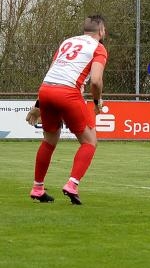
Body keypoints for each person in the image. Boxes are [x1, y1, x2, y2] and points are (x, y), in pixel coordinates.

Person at [26, 15, 108, 205]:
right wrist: (97, 102)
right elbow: (96, 80)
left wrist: (38, 105)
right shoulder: (98, 47)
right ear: (101, 31)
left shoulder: (67, 42)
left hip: (46, 90)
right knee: (89, 142)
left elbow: (53, 71)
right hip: (68, 92)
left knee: (49, 140)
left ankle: (37, 188)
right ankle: (72, 184)